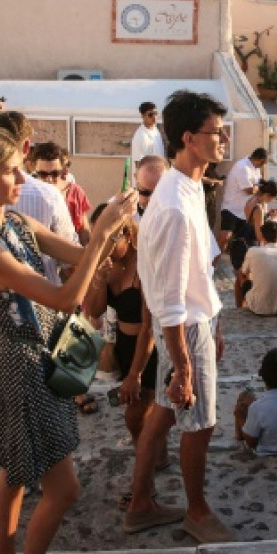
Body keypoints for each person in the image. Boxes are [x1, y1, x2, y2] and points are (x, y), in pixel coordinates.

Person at [0, 127, 135, 554]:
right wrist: (102, 239)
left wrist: (112, 229)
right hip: (21, 365)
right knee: (64, 489)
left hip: (34, 355)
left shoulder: (13, 222)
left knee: (14, 470)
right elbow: (64, 294)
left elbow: (83, 256)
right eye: (9, 170)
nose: (21, 176)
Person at [123, 91, 235, 544]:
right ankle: (196, 510)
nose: (224, 138)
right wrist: (184, 365)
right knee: (199, 421)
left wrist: (217, 322)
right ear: (188, 138)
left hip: (195, 321)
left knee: (164, 414)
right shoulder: (171, 204)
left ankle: (140, 505)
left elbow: (201, 267)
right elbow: (169, 298)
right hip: (183, 328)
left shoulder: (187, 187)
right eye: (215, 132)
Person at [81, 205, 163, 502]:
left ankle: (144, 488)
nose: (101, 247)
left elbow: (149, 328)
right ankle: (155, 456)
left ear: (127, 234)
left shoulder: (145, 265)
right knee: (144, 417)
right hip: (126, 348)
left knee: (134, 417)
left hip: (149, 351)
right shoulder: (110, 265)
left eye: (107, 240)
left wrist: (134, 375)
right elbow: (93, 310)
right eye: (97, 240)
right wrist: (100, 279)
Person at [30, 142, 90, 244]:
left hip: (70, 252)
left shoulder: (75, 192)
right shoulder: (28, 193)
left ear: (62, 170)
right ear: (35, 169)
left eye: (54, 173)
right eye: (43, 174)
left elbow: (83, 230)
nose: (49, 179)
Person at [236, 222, 277, 316]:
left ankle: (239, 308)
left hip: (258, 307)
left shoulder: (253, 251)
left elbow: (243, 272)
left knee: (240, 273)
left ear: (262, 236)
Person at [217, 147, 267, 252]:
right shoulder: (242, 167)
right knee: (225, 238)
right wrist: (257, 187)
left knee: (243, 242)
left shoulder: (256, 168)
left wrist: (257, 187)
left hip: (245, 211)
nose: (262, 165)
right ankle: (214, 264)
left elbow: (257, 186)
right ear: (257, 158)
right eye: (262, 162)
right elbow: (249, 190)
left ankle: (239, 266)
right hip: (231, 208)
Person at [130, 101, 166, 166]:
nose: (154, 117)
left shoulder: (156, 131)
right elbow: (138, 163)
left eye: (155, 113)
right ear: (143, 116)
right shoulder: (140, 136)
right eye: (150, 115)